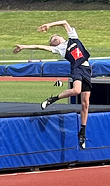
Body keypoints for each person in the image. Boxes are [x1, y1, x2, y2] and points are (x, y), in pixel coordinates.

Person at [14, 20, 92, 149]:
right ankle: (53, 99)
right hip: (77, 69)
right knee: (76, 90)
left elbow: (64, 22)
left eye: (55, 38)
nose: (54, 40)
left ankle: (82, 133)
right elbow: (39, 47)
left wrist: (49, 25)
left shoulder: (73, 37)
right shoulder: (59, 49)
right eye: (52, 41)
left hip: (87, 70)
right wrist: (24, 46)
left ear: (60, 37)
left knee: (85, 104)